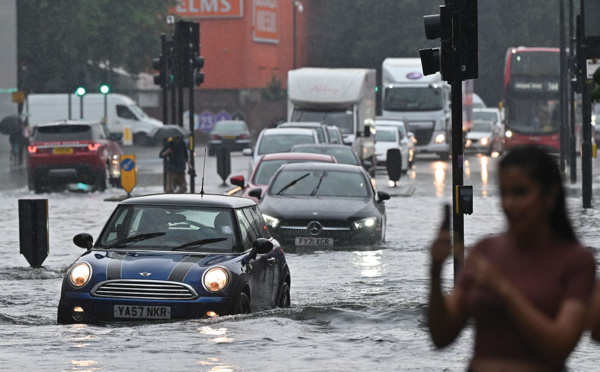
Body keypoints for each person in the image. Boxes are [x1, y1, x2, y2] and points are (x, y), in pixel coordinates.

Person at [428, 145, 596, 372]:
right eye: (504, 193)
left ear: (550, 194)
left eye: (520, 193)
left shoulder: (576, 261)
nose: (508, 204)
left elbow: (559, 346)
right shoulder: (485, 251)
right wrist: (436, 271)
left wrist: (503, 290)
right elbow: (441, 337)